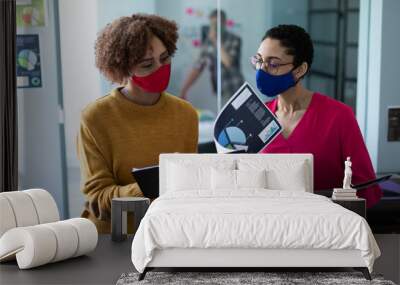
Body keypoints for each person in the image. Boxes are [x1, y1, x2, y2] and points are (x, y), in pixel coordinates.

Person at [77, 14, 199, 233]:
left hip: (168, 234)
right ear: (123, 68)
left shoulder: (186, 114)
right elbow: (98, 200)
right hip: (115, 238)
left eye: (165, 58)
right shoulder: (96, 117)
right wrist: (149, 188)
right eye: (147, 64)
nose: (160, 68)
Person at [252, 24, 381, 207]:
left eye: (273, 64)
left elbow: (366, 188)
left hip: (326, 226)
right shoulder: (258, 117)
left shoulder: (338, 116)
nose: (262, 70)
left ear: (300, 69)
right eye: (259, 61)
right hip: (271, 224)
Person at [180, 9, 244, 105]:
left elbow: (228, 62)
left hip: (235, 87)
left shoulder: (234, 39)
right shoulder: (209, 42)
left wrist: (215, 40)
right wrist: (184, 90)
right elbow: (198, 66)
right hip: (221, 90)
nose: (214, 27)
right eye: (212, 24)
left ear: (224, 22)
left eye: (216, 23)